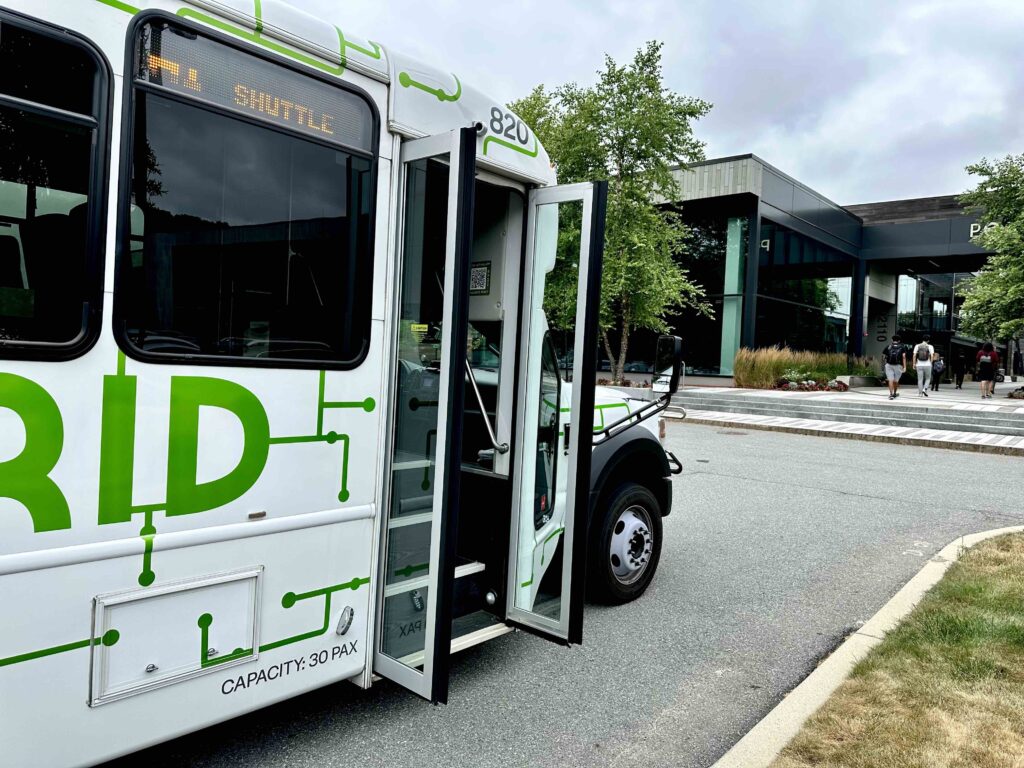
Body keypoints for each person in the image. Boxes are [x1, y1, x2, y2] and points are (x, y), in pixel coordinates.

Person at [882, 335, 907, 400]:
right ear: (899, 340)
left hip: (889, 365)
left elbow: (883, 356)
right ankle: (895, 393)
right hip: (898, 366)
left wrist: (884, 364)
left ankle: (891, 394)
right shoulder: (902, 347)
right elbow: (904, 357)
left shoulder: (888, 346)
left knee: (890, 380)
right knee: (896, 381)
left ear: (892, 340)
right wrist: (904, 367)